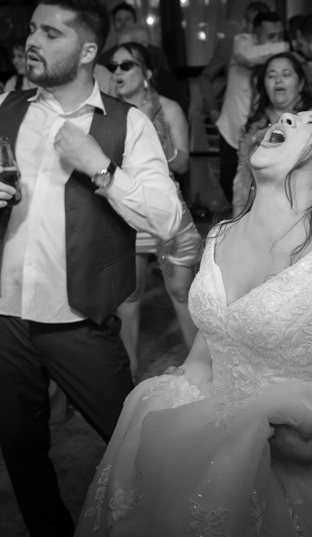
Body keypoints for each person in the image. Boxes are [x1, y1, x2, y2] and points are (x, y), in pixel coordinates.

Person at [72, 110, 312, 537]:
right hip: (210, 444)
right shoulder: (221, 234)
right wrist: (190, 370)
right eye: (292, 116)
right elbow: (218, 333)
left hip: (295, 458)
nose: (287, 116)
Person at [0, 0, 182, 536]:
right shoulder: (2, 110)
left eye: (51, 33)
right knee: (22, 452)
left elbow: (167, 219)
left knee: (135, 446)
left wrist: (99, 168)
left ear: (89, 49)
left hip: (81, 323)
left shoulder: (128, 123)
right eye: (31, 29)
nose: (31, 41)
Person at [106, 41, 202, 378]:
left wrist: (154, 136)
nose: (117, 72)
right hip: (123, 214)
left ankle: (201, 370)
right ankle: (127, 373)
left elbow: (184, 164)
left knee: (180, 291)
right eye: (114, 66)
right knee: (128, 295)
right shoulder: (106, 112)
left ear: (146, 73)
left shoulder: (170, 109)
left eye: (127, 65)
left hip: (165, 211)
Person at [215, 10, 288, 207]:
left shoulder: (278, 60)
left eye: (280, 35)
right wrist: (287, 45)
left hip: (263, 128)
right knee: (231, 185)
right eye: (270, 36)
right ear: (255, 36)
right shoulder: (243, 42)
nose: (276, 41)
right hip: (232, 130)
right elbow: (248, 56)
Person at [232, 51, 312, 215]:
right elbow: (242, 180)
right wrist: (237, 220)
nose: (278, 80)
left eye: (286, 74)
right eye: (271, 75)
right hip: (260, 213)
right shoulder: (252, 128)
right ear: (265, 85)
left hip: (304, 210)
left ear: (301, 83)